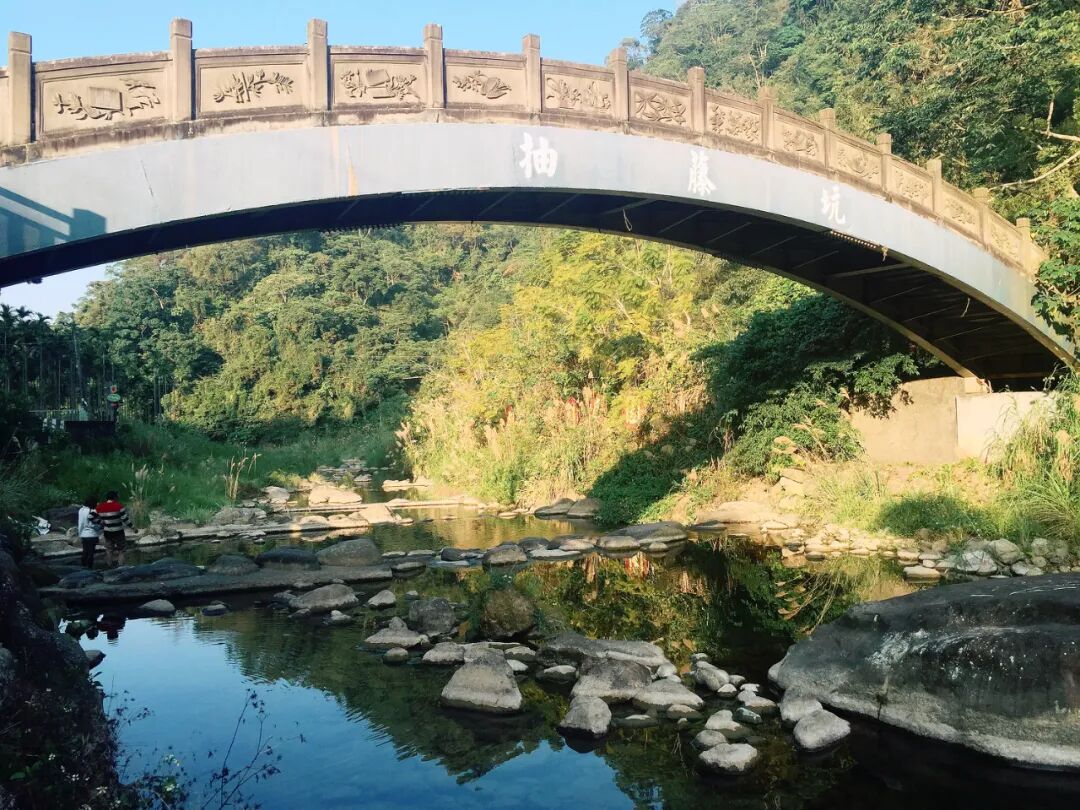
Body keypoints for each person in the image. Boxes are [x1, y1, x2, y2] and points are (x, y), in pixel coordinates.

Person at [95, 490, 134, 567]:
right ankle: (121, 567)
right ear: (114, 497)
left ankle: (109, 566)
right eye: (117, 496)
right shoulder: (119, 506)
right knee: (121, 550)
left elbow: (92, 517)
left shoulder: (100, 507)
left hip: (107, 532)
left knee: (109, 550)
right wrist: (133, 527)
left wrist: (101, 522)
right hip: (118, 531)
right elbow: (125, 519)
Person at [77, 495, 101, 569]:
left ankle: (83, 567)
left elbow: (80, 523)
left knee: (85, 552)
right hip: (92, 534)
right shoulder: (92, 511)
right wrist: (99, 527)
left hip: (83, 534)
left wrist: (80, 533)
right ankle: (89, 568)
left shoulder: (81, 510)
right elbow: (94, 524)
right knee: (91, 553)